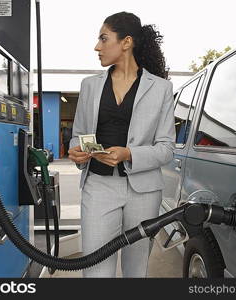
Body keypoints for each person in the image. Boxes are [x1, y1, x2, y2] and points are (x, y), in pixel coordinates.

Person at [68, 12, 175, 278]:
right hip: (98, 187)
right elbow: (78, 134)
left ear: (126, 42)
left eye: (104, 39)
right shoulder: (90, 86)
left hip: (144, 191)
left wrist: (129, 154)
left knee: (135, 270)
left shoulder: (161, 88)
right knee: (95, 270)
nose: (97, 46)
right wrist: (77, 152)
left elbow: (166, 147)